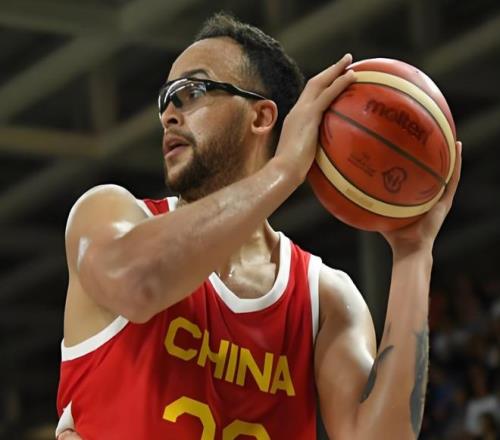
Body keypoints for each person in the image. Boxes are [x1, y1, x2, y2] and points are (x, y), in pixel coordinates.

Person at [56, 12, 462, 440]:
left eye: (192, 91)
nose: (169, 114)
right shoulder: (106, 214)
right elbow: (140, 285)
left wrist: (413, 254)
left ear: (262, 117)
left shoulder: (323, 297)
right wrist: (284, 170)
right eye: (166, 99)